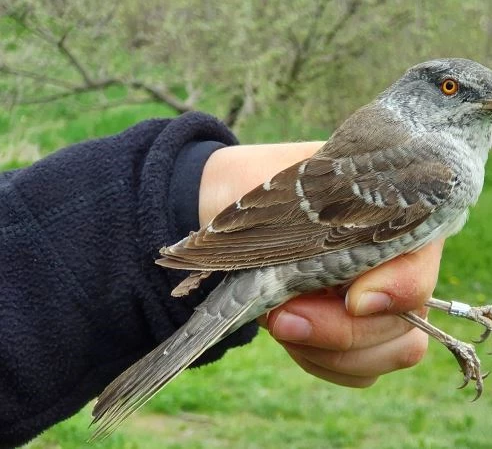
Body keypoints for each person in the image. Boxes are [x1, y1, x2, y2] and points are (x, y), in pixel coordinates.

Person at [0, 112, 439, 446]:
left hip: (280, 246)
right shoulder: (425, 165)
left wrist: (190, 192)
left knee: (374, 296)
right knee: (371, 298)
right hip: (282, 256)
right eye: (453, 88)